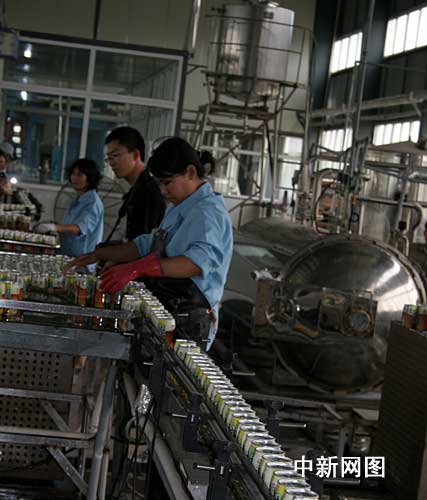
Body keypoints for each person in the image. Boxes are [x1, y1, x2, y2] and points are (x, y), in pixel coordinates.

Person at [65, 138, 233, 349]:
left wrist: (136, 268)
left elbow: (196, 263)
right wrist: (100, 254)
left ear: (190, 172)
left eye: (167, 182)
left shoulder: (208, 212)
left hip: (189, 318)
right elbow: (148, 244)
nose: (162, 191)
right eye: (159, 184)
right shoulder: (178, 206)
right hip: (169, 307)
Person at [105, 126, 165, 241]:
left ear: (136, 155)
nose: (111, 163)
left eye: (115, 155)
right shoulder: (136, 190)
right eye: (108, 158)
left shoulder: (149, 192)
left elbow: (145, 243)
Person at [36, 158, 104, 258]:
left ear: (90, 178)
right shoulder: (78, 199)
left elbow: (80, 228)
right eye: (73, 173)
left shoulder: (92, 203)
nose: (74, 178)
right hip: (68, 254)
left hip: (82, 259)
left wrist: (54, 227)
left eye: (80, 175)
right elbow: (70, 225)